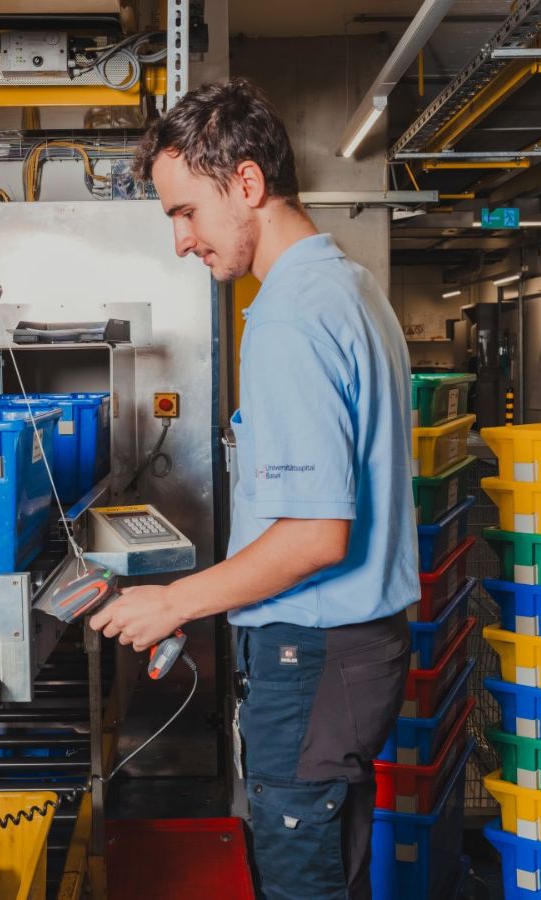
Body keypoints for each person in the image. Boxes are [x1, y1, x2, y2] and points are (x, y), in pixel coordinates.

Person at [89, 77, 419, 899]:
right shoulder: (351, 288)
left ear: (246, 183)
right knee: (333, 867)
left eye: (185, 212)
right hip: (355, 652)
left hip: (314, 656)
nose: (181, 241)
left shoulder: (289, 317)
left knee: (302, 879)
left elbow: (315, 535)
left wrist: (174, 602)